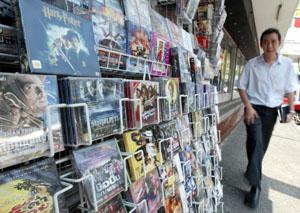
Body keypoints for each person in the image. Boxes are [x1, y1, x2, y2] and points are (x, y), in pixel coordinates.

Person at [237, 28, 298, 208]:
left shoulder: (286, 65)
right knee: (256, 141)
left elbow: (290, 89)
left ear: (279, 43)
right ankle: (256, 186)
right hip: (253, 109)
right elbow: (241, 87)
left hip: (272, 112)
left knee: (259, 145)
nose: (269, 45)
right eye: (265, 41)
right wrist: (248, 107)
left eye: (273, 41)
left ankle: (251, 169)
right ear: (261, 44)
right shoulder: (252, 64)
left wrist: (292, 110)